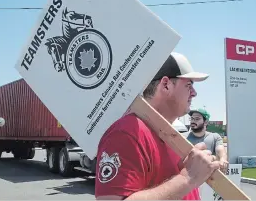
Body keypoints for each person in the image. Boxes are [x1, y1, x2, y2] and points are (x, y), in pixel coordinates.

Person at [95, 52, 220, 200]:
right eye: (188, 85)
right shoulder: (127, 133)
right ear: (166, 85)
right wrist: (188, 179)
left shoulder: (169, 134)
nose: (194, 93)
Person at [186, 108, 228, 173]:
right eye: (192, 118)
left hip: (209, 179)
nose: (193, 121)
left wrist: (223, 159)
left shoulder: (215, 137)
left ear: (206, 122)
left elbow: (220, 150)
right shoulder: (183, 137)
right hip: (187, 176)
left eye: (197, 119)